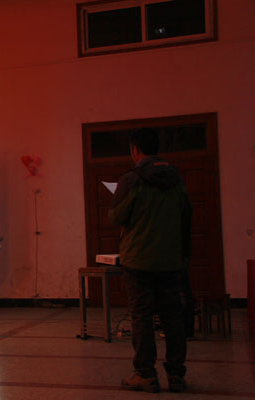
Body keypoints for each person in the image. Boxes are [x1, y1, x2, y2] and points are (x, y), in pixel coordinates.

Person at [109, 128, 192, 393]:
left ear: (135, 150)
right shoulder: (176, 178)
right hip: (171, 259)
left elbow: (115, 217)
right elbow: (186, 215)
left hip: (138, 260)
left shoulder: (132, 179)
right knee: (173, 317)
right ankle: (176, 375)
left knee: (142, 317)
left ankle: (145, 374)